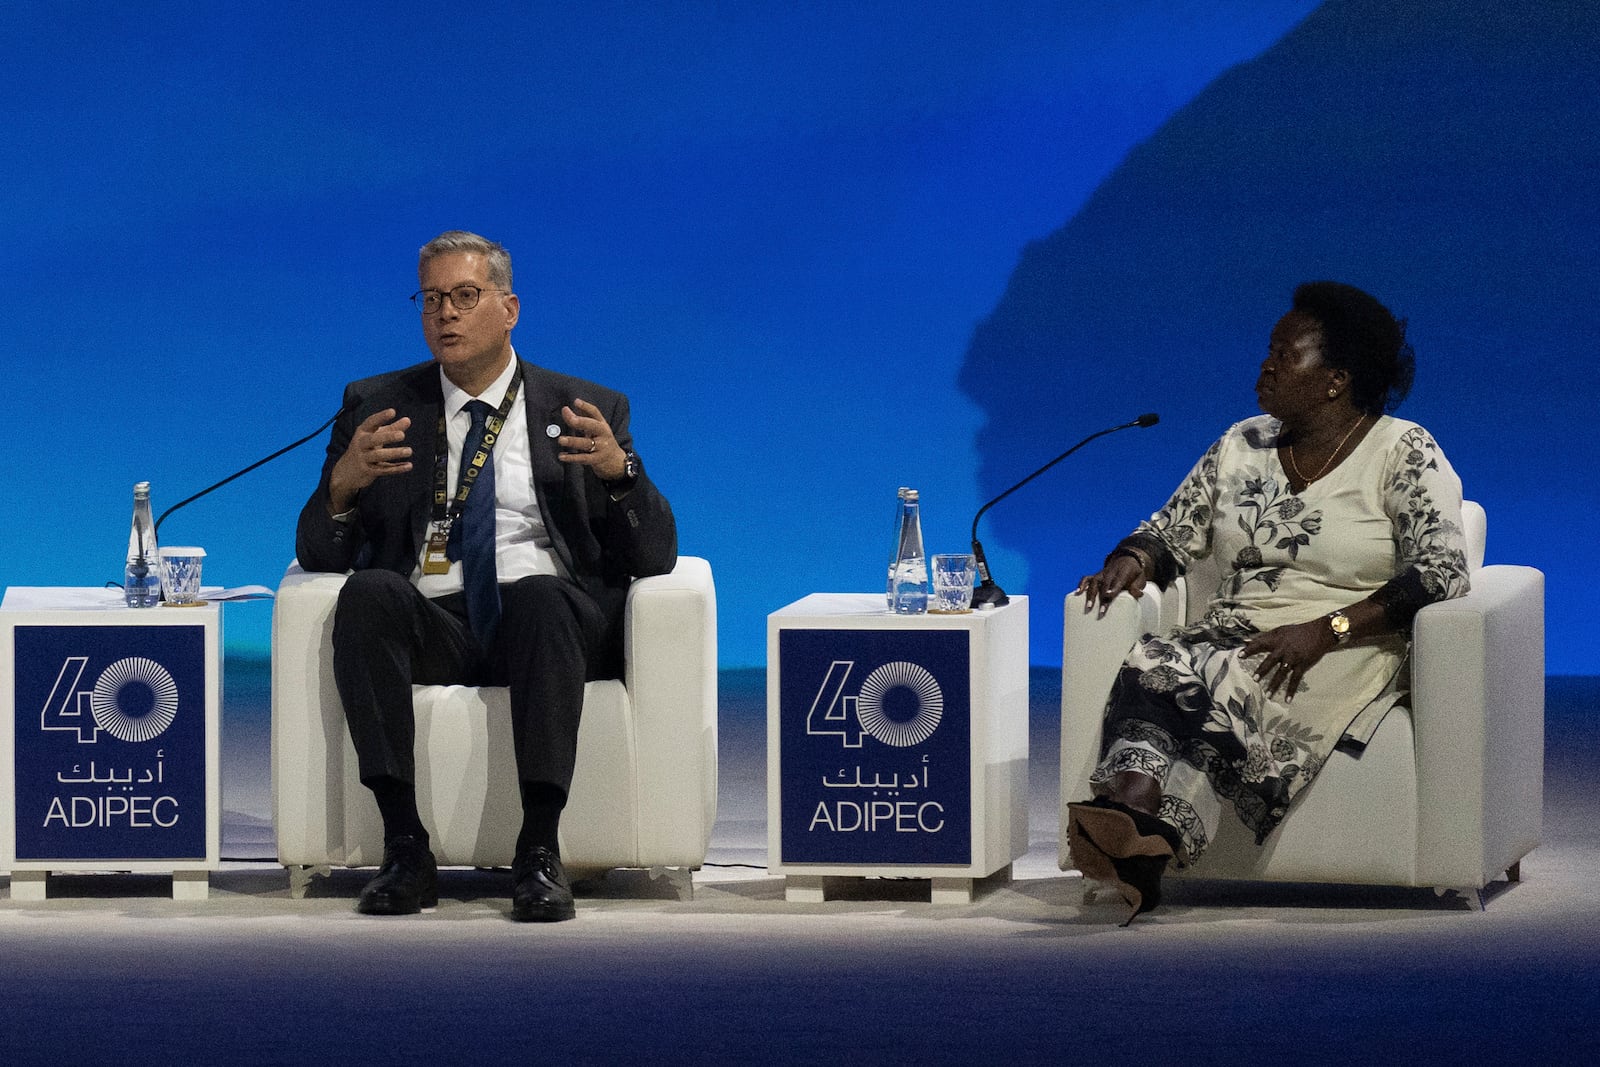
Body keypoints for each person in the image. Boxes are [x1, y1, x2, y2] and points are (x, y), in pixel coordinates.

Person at [296, 230, 677, 921]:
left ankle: (538, 849)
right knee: (370, 592)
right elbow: (320, 553)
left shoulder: (585, 407)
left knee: (537, 597)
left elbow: (655, 556)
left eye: (465, 296)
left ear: (510, 309)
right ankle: (405, 846)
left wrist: (621, 476)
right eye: (432, 299)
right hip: (434, 618)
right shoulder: (376, 404)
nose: (446, 313)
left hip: (545, 622)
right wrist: (342, 485)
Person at [1067, 281, 1469, 924]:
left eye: (1288, 354)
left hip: (1340, 644)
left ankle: (1125, 819)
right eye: (1270, 350)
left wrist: (1326, 628)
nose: (1267, 365)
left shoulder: (1403, 451)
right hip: (1232, 628)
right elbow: (1172, 528)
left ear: (1336, 379)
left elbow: (1442, 572)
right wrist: (1132, 560)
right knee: (1160, 655)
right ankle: (1136, 826)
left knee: (1225, 672)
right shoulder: (1240, 444)